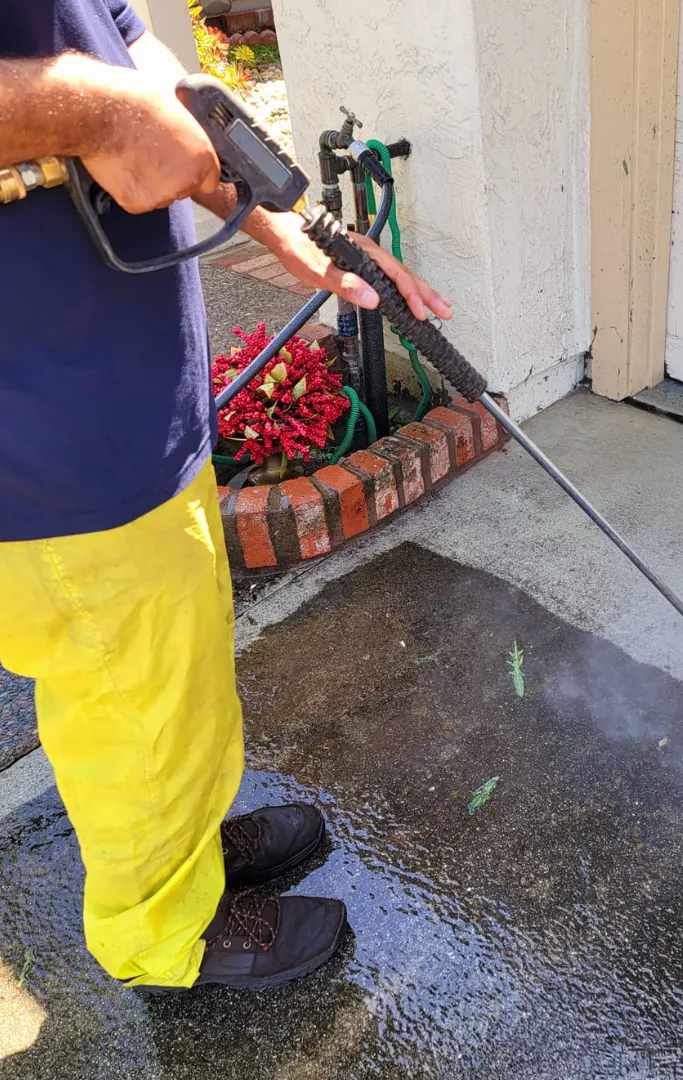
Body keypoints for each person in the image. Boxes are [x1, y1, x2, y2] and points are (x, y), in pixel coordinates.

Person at [0, 1, 452, 992]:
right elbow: (108, 88)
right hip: (39, 435)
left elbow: (124, 35)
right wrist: (94, 109)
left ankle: (188, 850)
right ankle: (164, 938)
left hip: (119, 390)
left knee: (177, 665)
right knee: (126, 695)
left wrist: (276, 215)